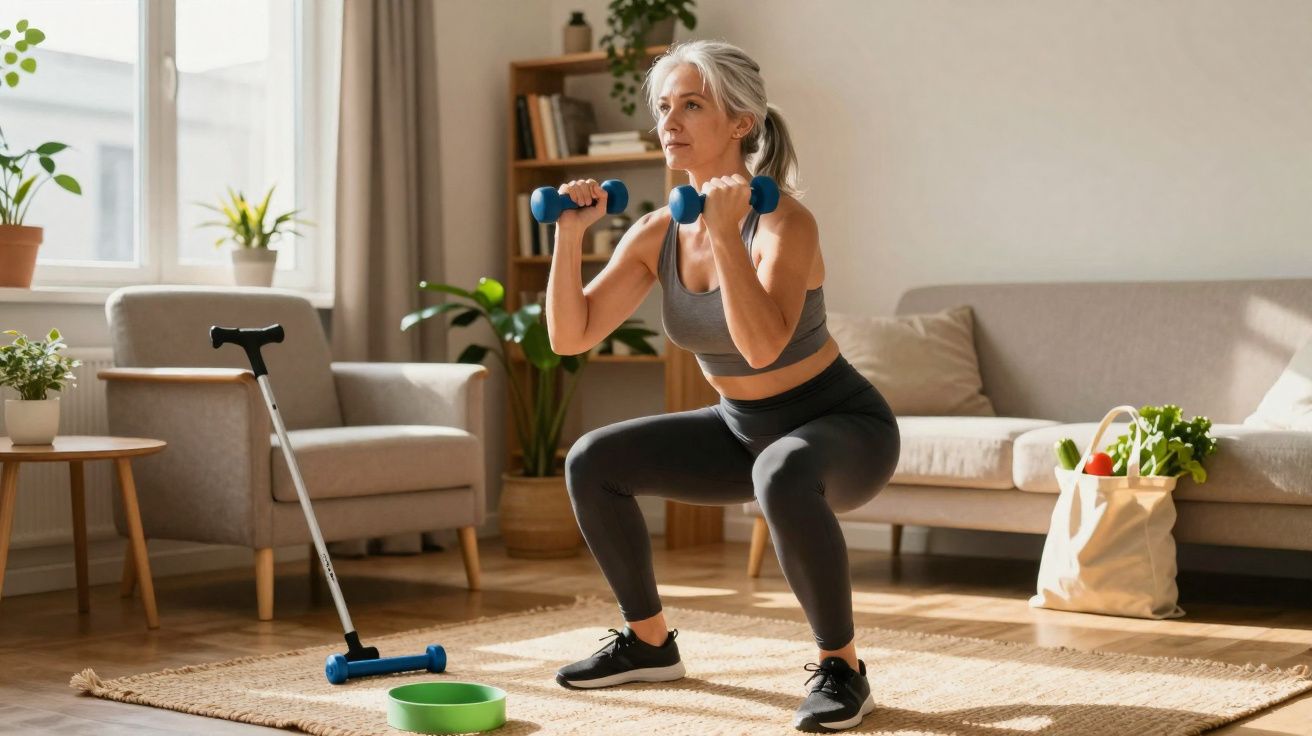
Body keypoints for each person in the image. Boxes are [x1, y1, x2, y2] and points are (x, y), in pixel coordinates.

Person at [543, 39, 901, 733]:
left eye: (692, 105)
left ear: (741, 122)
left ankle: (843, 670)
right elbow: (570, 335)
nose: (669, 122)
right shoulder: (656, 232)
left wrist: (728, 233)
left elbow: (763, 345)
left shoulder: (785, 222)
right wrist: (569, 235)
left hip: (842, 428)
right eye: (663, 107)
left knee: (783, 470)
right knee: (593, 460)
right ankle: (648, 643)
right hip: (741, 428)